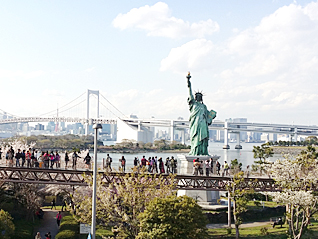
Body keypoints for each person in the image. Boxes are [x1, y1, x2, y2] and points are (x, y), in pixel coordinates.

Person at [186, 72, 216, 156]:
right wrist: (188, 80)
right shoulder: (193, 104)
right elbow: (189, 92)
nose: (198, 97)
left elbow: (208, 117)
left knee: (204, 138)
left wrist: (211, 116)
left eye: (200, 96)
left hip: (203, 124)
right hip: (195, 124)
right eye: (197, 96)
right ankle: (195, 151)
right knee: (195, 138)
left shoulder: (204, 106)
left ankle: (203, 152)